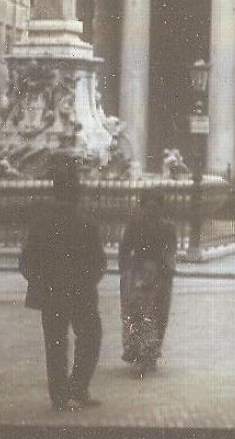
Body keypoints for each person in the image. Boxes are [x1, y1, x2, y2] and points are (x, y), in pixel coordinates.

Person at [19, 156, 107, 411]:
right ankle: (78, 387)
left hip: (51, 294)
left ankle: (59, 395)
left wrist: (41, 283)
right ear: (76, 195)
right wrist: (88, 282)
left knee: (55, 344)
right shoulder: (86, 224)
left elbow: (26, 262)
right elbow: (99, 261)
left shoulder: (41, 225)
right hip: (81, 293)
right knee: (90, 338)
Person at [118, 190, 178, 377]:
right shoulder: (136, 225)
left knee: (154, 314)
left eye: (155, 206)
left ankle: (148, 352)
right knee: (137, 313)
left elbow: (170, 251)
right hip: (139, 272)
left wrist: (167, 271)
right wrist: (126, 271)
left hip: (156, 273)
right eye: (148, 206)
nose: (151, 210)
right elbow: (125, 249)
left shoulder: (166, 227)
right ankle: (138, 351)